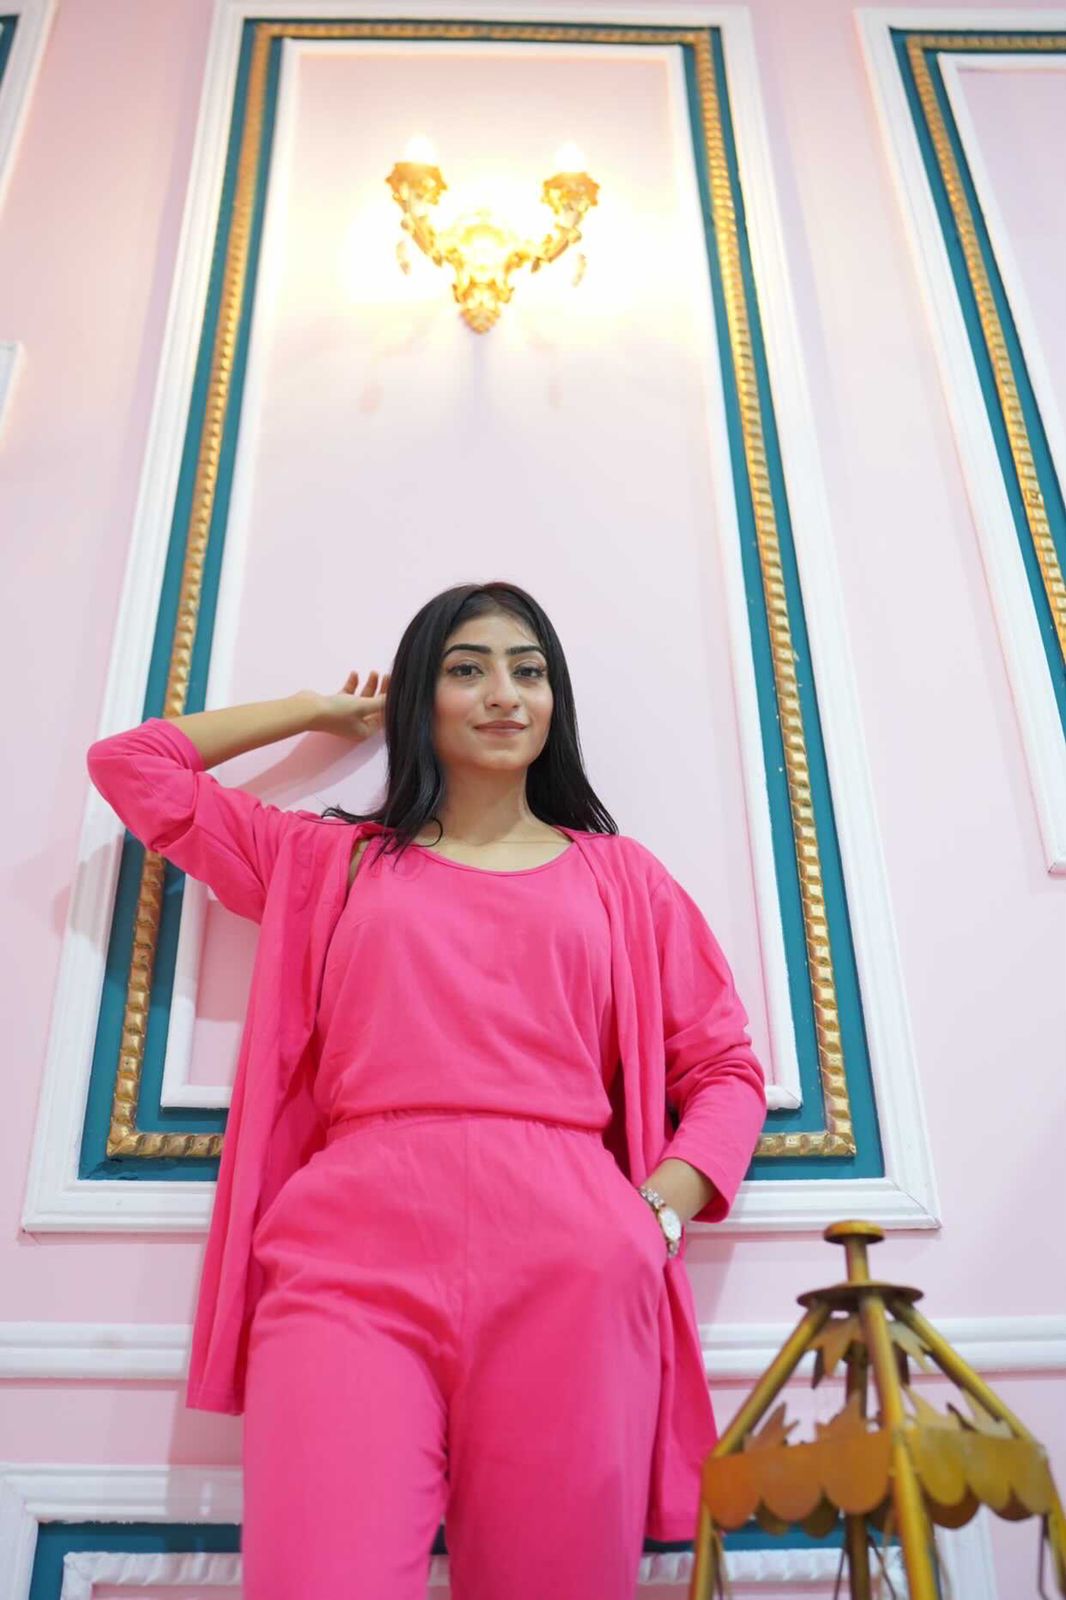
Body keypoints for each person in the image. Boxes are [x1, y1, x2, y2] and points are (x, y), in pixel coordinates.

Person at [85, 580, 766, 1600]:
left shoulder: (622, 878)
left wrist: (655, 1216)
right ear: (419, 698)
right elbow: (133, 765)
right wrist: (319, 711)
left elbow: (723, 1070)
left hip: (575, 1270)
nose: (504, 693)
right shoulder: (328, 862)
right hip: (347, 1268)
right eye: (466, 669)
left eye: (528, 670)